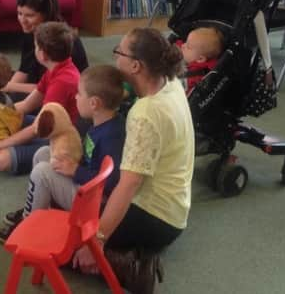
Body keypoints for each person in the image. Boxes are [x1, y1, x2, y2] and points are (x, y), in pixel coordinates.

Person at [72, 28, 194, 293]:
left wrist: (98, 240)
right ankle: (133, 253)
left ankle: (130, 267)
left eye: (119, 53)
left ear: (136, 66)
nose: (115, 59)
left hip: (152, 217)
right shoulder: (171, 82)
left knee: (65, 243)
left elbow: (128, 185)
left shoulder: (145, 112)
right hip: (174, 210)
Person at [0, 65, 127, 242]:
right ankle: (41, 208)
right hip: (85, 186)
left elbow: (111, 181)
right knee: (44, 153)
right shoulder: (100, 123)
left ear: (94, 103)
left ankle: (29, 224)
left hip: (93, 203)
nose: (75, 96)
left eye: (79, 93)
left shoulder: (112, 136)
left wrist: (75, 171)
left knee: (42, 172)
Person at [0, 21, 81, 175]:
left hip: (59, 139)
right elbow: (26, 105)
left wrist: (0, 144)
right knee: (1, 121)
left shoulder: (62, 81)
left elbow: (36, 129)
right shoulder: (55, 69)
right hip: (47, 128)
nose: (34, 50)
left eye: (36, 47)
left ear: (43, 55)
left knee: (0, 159)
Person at [3, 0, 88, 100]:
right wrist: (4, 91)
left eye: (30, 15)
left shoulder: (59, 40)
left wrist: (9, 87)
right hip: (39, 85)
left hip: (61, 95)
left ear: (46, 15)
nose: (22, 20)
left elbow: (47, 87)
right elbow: (24, 70)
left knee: (10, 98)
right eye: (19, 13)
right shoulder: (32, 31)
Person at [177, 26, 225, 92]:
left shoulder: (193, 78)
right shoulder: (193, 54)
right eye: (186, 41)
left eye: (188, 46)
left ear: (200, 59)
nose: (183, 45)